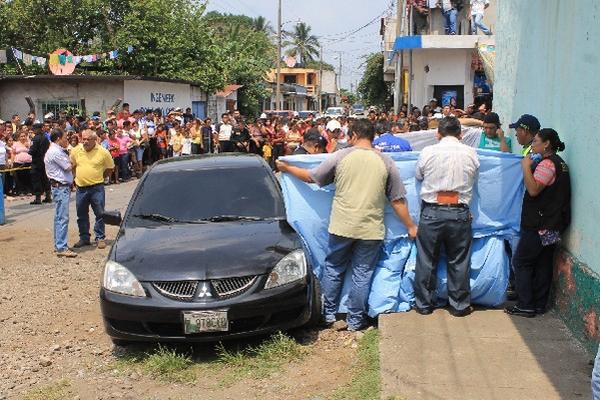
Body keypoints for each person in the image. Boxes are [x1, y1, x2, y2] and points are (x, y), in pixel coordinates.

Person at [276, 119, 418, 331]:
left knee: (334, 268)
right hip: (371, 229)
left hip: (342, 225)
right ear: (372, 137)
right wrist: (410, 226)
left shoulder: (340, 156)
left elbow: (311, 177)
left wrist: (287, 168)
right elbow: (397, 200)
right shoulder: (386, 162)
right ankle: (355, 321)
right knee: (362, 274)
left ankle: (328, 315)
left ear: (352, 136)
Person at [414, 117, 480, 317]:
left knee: (426, 259)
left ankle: (424, 305)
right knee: (459, 261)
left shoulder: (428, 152)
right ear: (461, 135)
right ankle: (459, 306)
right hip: (459, 212)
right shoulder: (471, 153)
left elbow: (418, 175)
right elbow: (474, 177)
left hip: (432, 212)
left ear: (438, 134)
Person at [505, 129, 571, 317]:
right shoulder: (560, 164)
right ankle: (539, 304)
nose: (532, 145)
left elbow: (534, 190)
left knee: (522, 262)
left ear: (547, 144)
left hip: (540, 225)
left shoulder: (548, 164)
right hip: (552, 224)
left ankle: (525, 304)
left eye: (536, 141)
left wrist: (526, 167)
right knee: (542, 263)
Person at [70, 129, 115, 250]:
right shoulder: (76, 151)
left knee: (100, 213)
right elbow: (72, 166)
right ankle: (84, 238)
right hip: (81, 188)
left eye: (87, 139)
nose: (85, 142)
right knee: (81, 214)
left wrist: (101, 176)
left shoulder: (103, 152)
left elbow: (110, 168)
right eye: (83, 139)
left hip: (97, 188)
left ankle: (100, 237)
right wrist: (76, 178)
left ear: (94, 139)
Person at [44, 128, 77, 258]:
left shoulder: (56, 150)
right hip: (60, 187)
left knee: (59, 217)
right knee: (62, 217)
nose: (66, 140)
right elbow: (68, 166)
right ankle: (61, 247)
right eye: (64, 138)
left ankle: (59, 245)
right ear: (58, 138)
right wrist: (74, 161)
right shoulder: (55, 152)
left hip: (60, 187)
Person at [28, 123, 51, 205]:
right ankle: (48, 196)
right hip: (44, 161)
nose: (33, 130)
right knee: (45, 179)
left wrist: (29, 150)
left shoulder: (35, 139)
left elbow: (32, 151)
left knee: (36, 180)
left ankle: (38, 198)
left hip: (36, 162)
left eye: (34, 129)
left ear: (37, 129)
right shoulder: (45, 138)